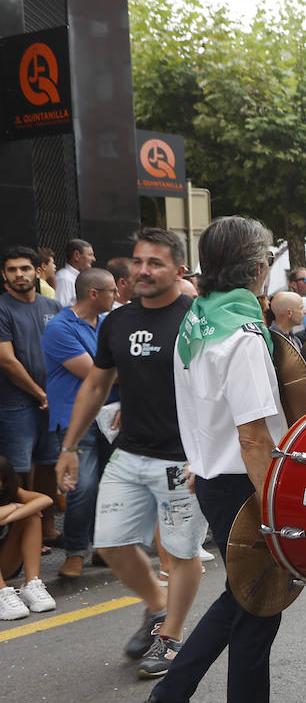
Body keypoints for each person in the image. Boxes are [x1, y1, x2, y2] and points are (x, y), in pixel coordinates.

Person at [120, 216, 306, 703]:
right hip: (244, 483)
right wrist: (276, 507)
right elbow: (255, 434)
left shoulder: (197, 321)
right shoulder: (242, 333)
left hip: (212, 477)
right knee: (258, 608)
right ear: (257, 268)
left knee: (242, 598)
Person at [55, 229, 210, 680]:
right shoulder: (117, 322)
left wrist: (206, 456)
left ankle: (170, 638)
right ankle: (158, 606)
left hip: (182, 460)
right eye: (138, 261)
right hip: (130, 453)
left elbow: (215, 394)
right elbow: (98, 383)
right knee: (112, 544)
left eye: (155, 263)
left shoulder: (197, 321)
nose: (143, 270)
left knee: (181, 553)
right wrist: (69, 446)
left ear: (178, 271)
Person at [41, 266, 118, 579]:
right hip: (77, 418)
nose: (117, 295)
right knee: (82, 487)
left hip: (109, 415)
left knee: (110, 486)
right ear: (94, 293)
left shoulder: (107, 323)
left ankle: (103, 547)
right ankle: (75, 551)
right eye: (112, 290)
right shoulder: (60, 327)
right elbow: (93, 373)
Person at [0, 246, 63, 546]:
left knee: (49, 462)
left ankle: (48, 528)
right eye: (12, 270)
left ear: (37, 271)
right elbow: (6, 359)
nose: (19, 275)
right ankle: (24, 534)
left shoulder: (52, 307)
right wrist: (40, 393)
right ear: (4, 275)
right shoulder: (2, 309)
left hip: (51, 402)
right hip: (16, 404)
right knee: (19, 469)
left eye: (24, 268)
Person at [0, 454, 56, 619]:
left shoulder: (12, 493)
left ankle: (32, 585)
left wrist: (13, 511)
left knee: (32, 516)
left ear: (4, 483)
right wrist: (16, 507)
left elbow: (46, 500)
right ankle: (2, 592)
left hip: (5, 564)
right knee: (29, 510)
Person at [55, 238, 95, 307]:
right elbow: (60, 307)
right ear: (77, 255)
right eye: (90, 255)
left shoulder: (79, 277)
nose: (93, 259)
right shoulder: (64, 278)